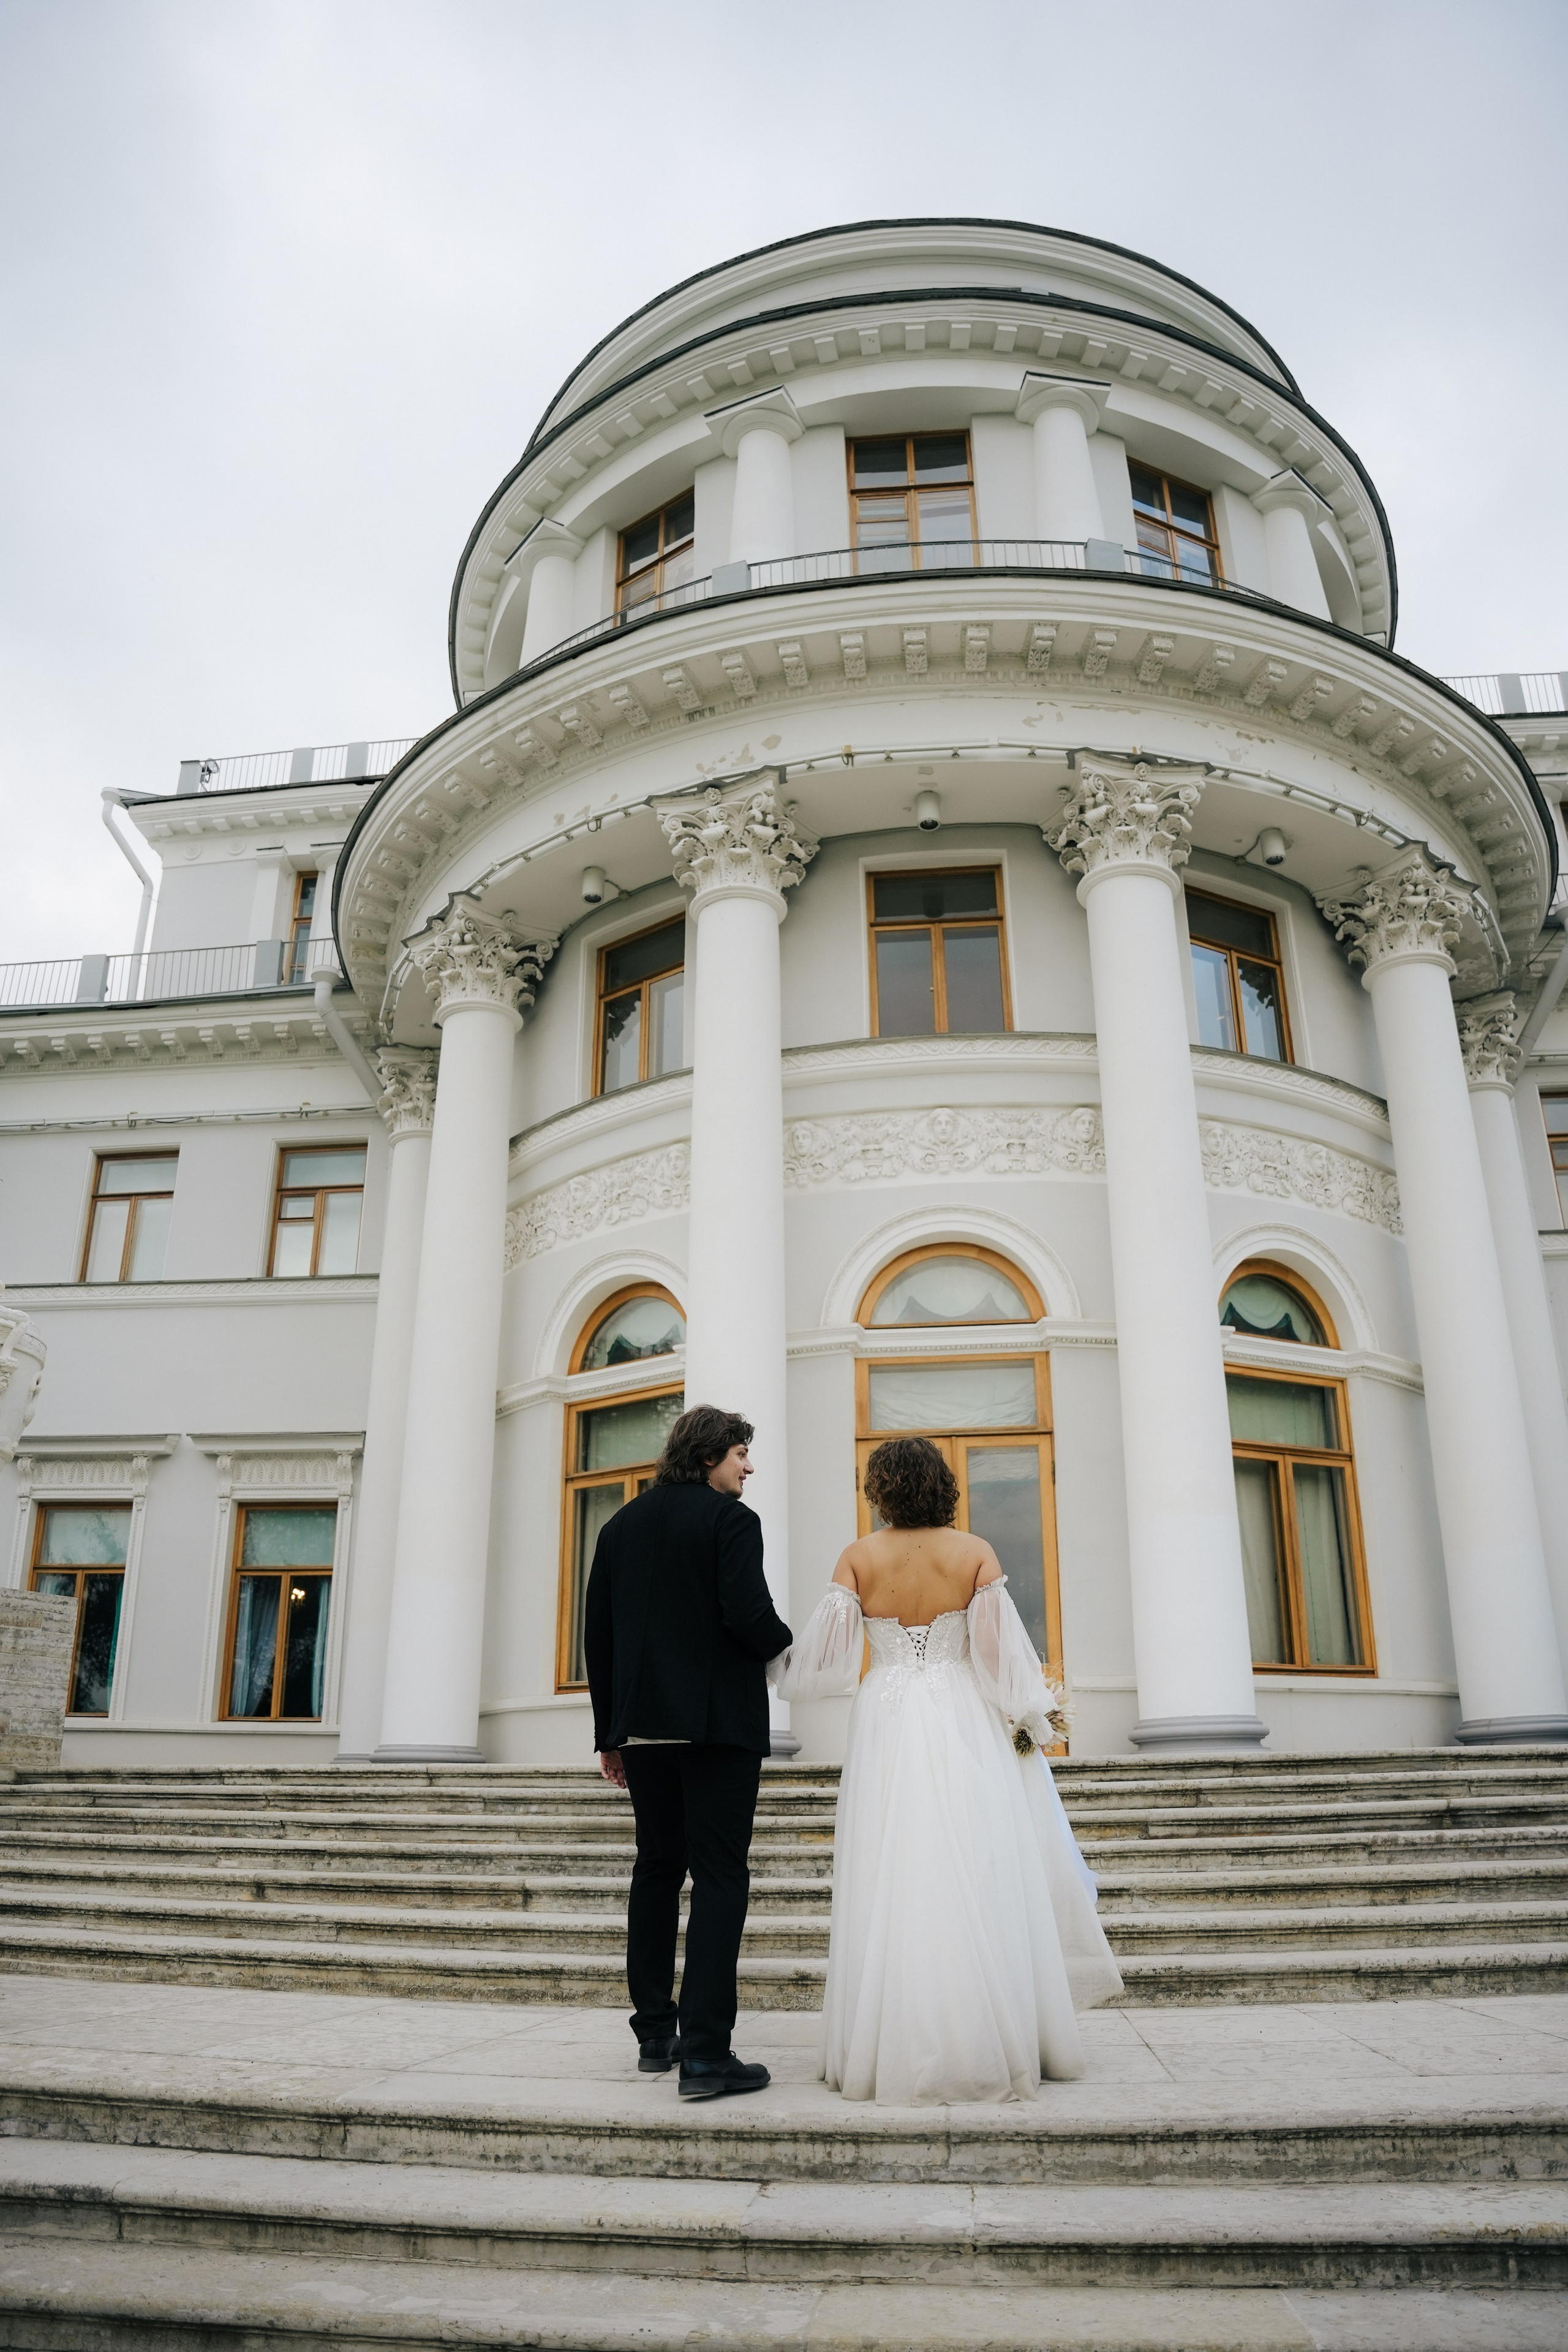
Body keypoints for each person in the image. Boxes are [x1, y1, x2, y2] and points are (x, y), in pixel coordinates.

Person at [771, 1434, 1123, 2106]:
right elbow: (999, 1660)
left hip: (887, 1716)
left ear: (880, 1489)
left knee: (892, 1865)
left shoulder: (857, 1556)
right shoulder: (974, 1553)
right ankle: (991, 2032)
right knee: (979, 1859)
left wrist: (771, 1661)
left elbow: (825, 1666)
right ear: (942, 1485)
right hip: (961, 1712)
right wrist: (1031, 1715)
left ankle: (887, 2042)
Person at [585, 1403, 792, 2101]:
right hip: (715, 1729)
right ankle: (706, 2054)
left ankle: (654, 2034)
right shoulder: (731, 1521)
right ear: (709, 1457)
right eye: (740, 1454)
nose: (749, 1466)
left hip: (642, 1731)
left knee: (655, 1870)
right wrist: (794, 1647)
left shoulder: (618, 1526)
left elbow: (600, 1637)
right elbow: (748, 1614)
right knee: (720, 1878)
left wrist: (609, 1733)